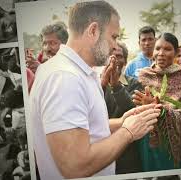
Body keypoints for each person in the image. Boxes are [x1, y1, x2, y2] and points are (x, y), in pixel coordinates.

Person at [29, 1, 160, 179]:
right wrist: (128, 132)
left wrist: (121, 121)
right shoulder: (64, 78)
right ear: (93, 31)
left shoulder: (77, 72)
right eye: (113, 37)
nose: (115, 46)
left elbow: (83, 127)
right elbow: (74, 165)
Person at [132, 33, 181, 171]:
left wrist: (158, 109)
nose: (161, 53)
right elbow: (134, 106)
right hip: (146, 138)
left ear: (177, 52)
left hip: (172, 142)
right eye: (158, 48)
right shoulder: (143, 75)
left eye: (167, 49)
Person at [101, 42, 143, 174]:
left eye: (118, 56)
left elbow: (133, 112)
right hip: (100, 151)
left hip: (127, 152)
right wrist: (102, 84)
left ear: (125, 61)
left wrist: (116, 85)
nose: (114, 60)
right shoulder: (95, 84)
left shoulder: (135, 83)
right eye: (110, 56)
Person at [26, 22, 69, 92]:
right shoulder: (44, 62)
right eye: (44, 44)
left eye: (52, 43)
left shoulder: (71, 65)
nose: (47, 49)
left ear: (65, 44)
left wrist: (41, 70)